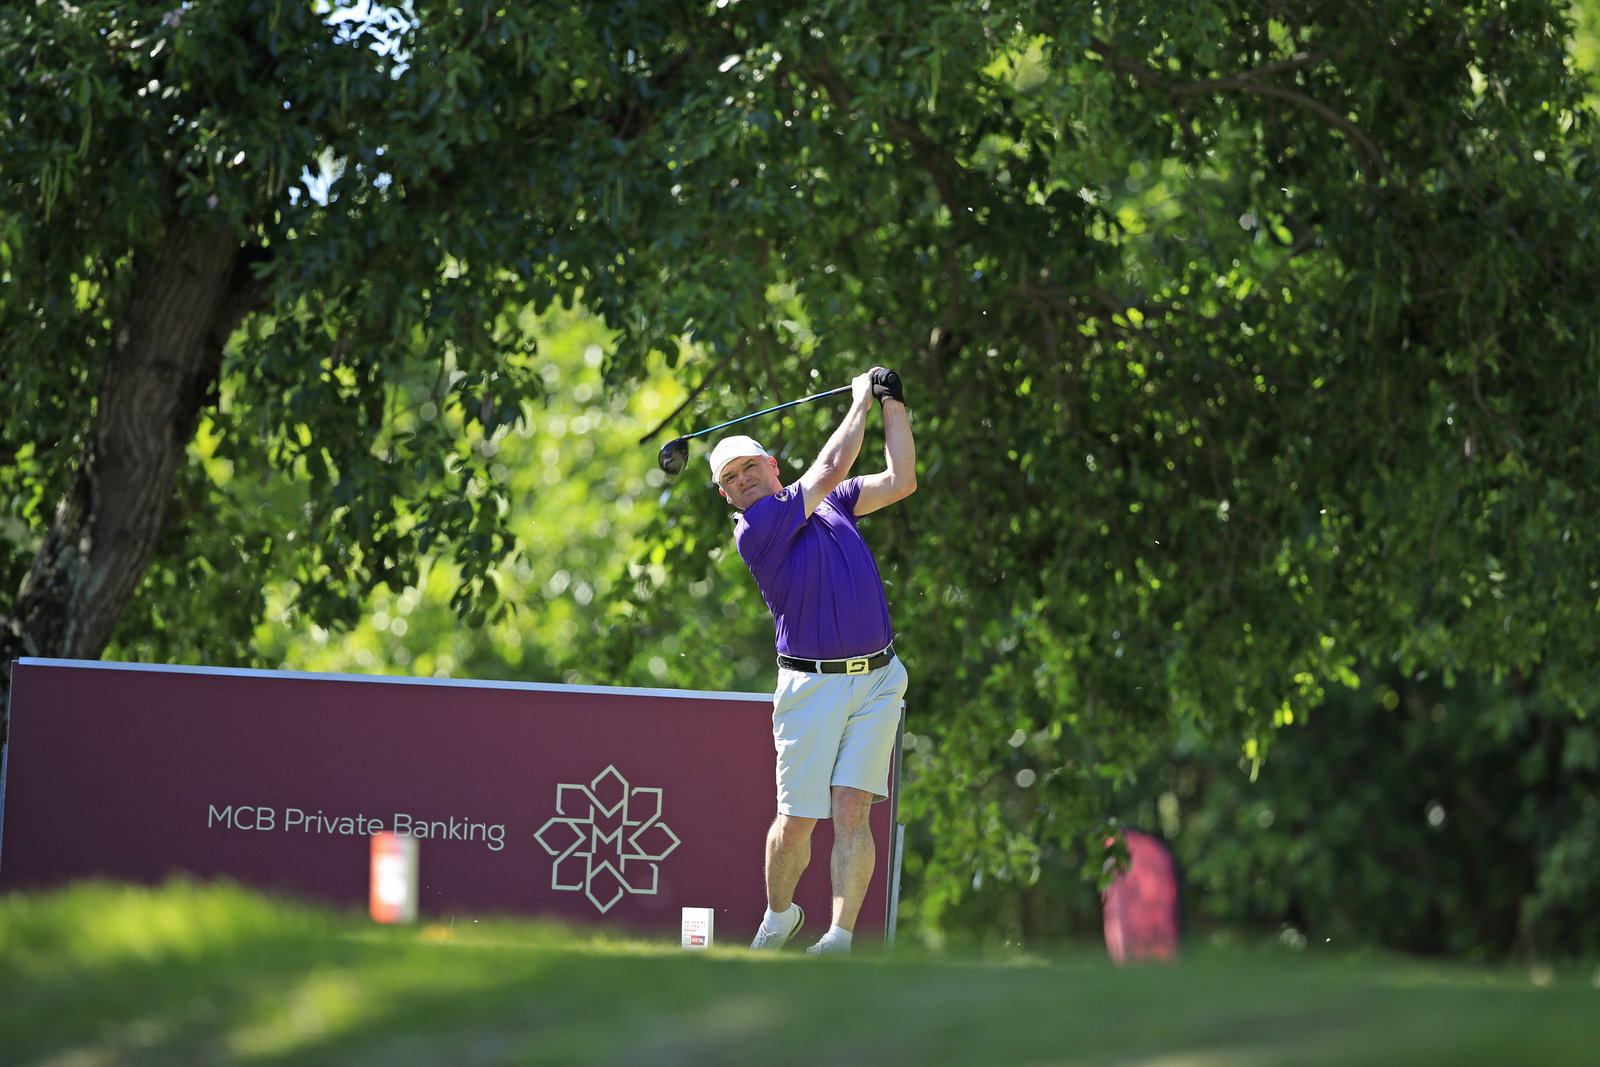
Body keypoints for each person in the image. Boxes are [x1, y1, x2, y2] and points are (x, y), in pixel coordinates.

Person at [708, 366, 915, 956]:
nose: (743, 479)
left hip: (877, 679)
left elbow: (900, 480)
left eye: (750, 466)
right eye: (730, 477)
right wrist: (858, 402)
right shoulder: (757, 527)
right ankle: (779, 919)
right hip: (810, 688)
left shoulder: (832, 506)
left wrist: (891, 402)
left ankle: (839, 940)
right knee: (796, 822)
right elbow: (830, 468)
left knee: (853, 810)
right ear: (725, 495)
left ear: (772, 466)